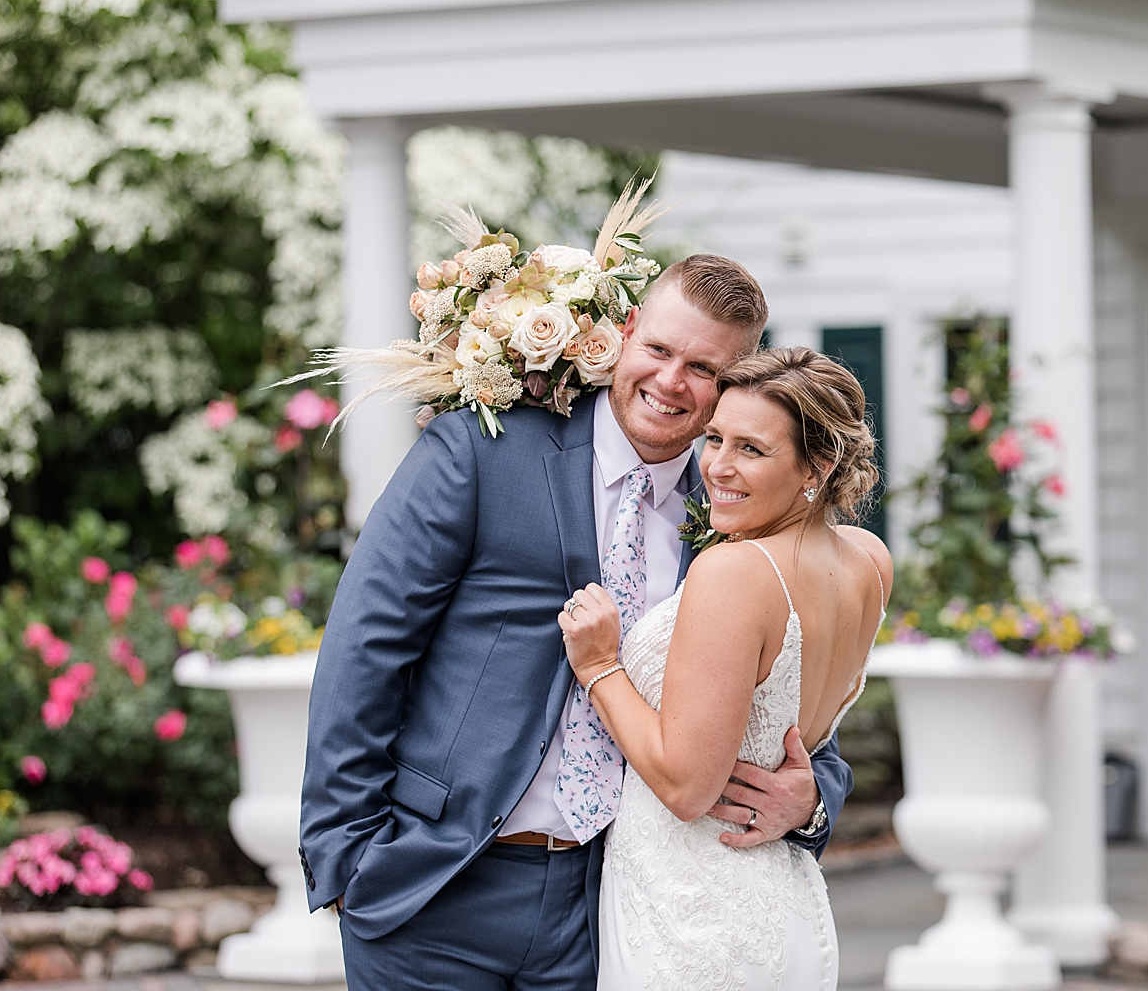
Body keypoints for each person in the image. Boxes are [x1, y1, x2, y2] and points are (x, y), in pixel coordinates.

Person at [299, 256, 854, 990]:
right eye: (658, 350)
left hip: (605, 908)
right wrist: (343, 857)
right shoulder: (479, 452)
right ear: (624, 334)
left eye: (704, 369)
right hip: (435, 886)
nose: (670, 382)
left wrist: (816, 796)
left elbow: (785, 691)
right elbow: (365, 650)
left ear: (733, 385)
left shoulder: (731, 515)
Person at [558, 347, 892, 991]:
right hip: (785, 904)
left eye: (751, 449)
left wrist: (600, 666)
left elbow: (687, 789)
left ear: (815, 467)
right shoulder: (869, 561)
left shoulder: (734, 571)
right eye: (714, 439)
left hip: (689, 914)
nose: (717, 467)